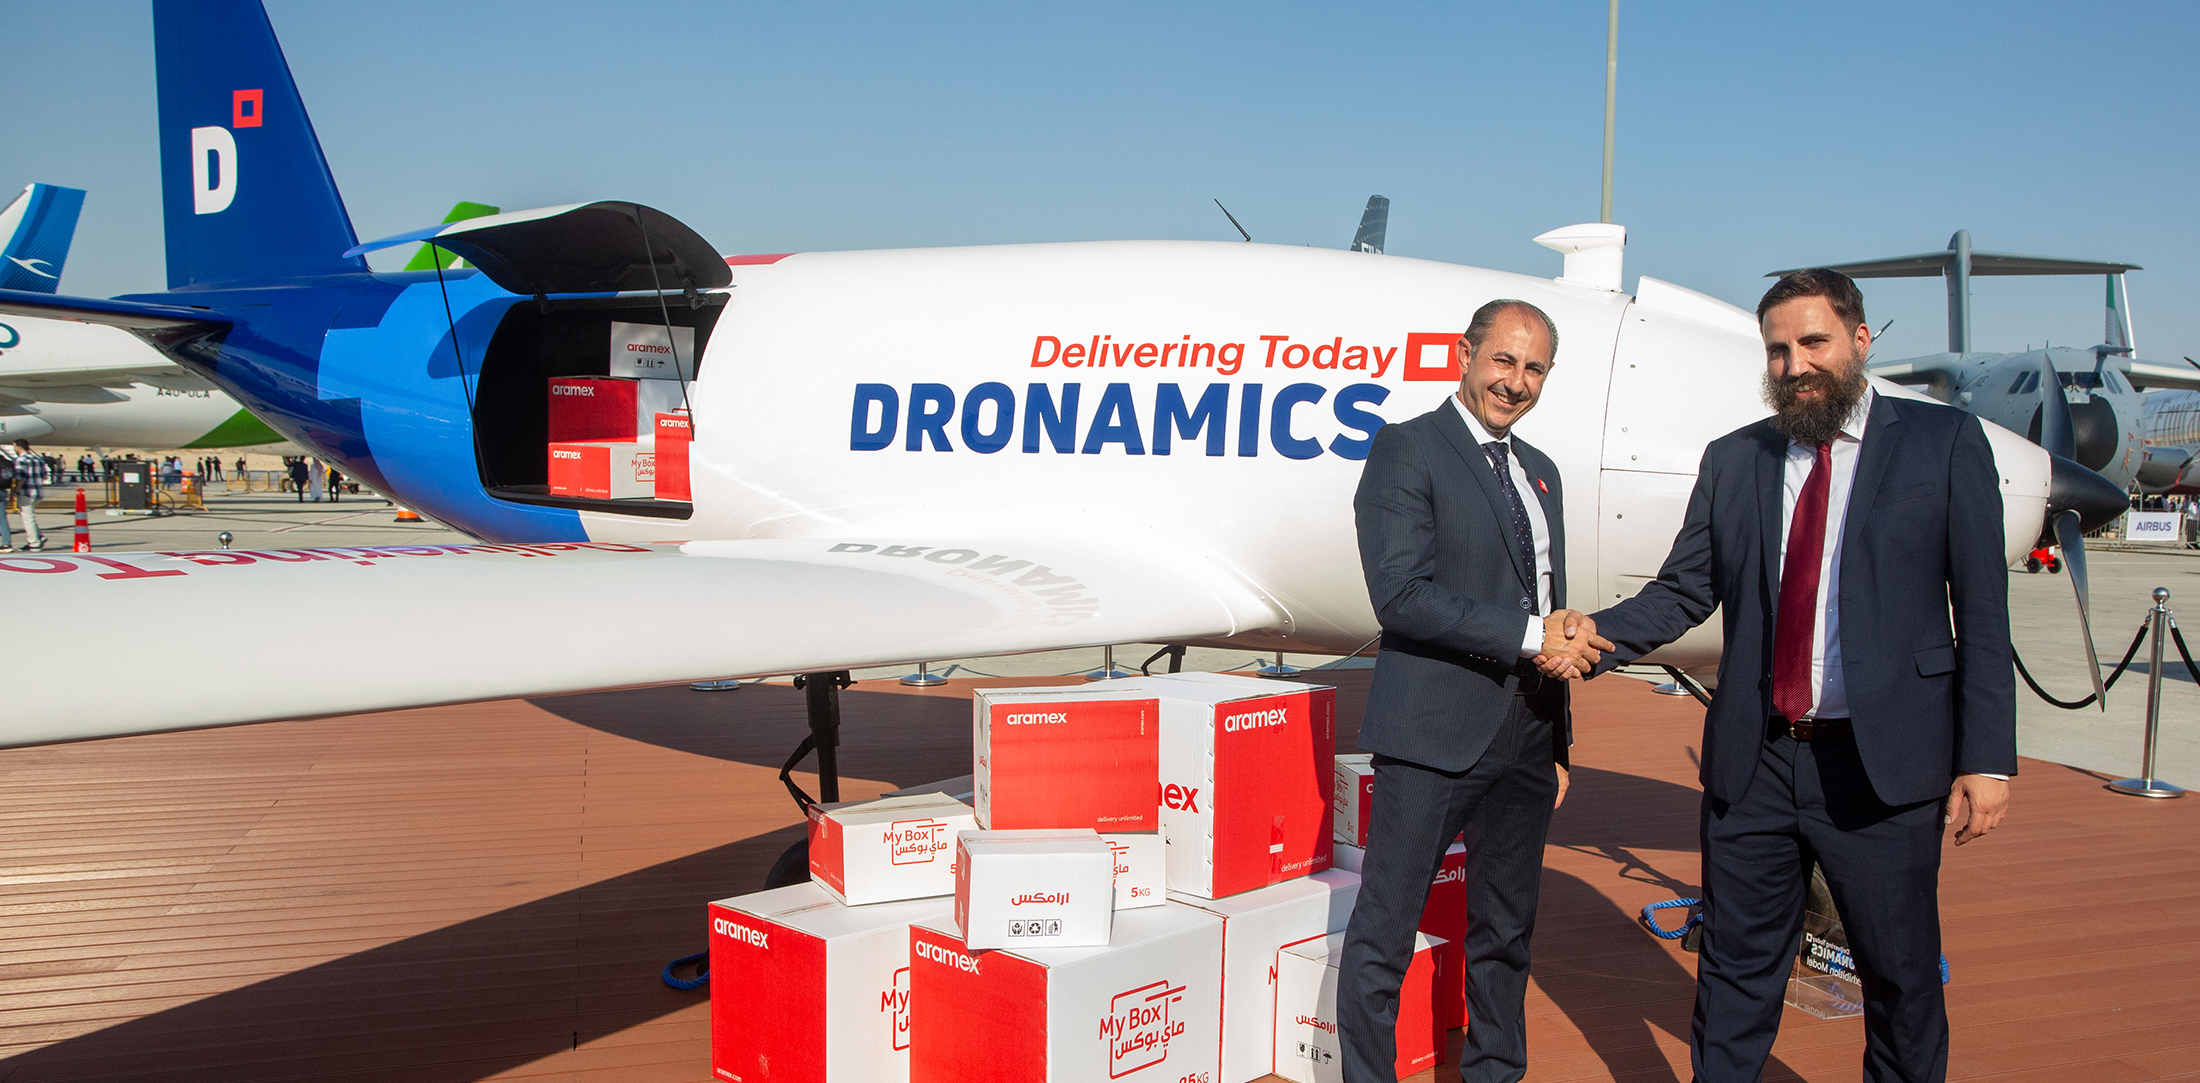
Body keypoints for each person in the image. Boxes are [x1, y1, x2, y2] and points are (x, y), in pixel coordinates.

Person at [1552, 269, 2014, 1083]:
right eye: (1777, 350)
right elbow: (1685, 589)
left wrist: (1986, 758)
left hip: (1881, 764)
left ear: (1860, 341)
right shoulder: (1736, 459)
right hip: (1755, 758)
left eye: (1813, 342)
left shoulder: (1944, 445)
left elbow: (1982, 612)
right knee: (1733, 971)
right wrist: (1598, 633)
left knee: (1900, 979)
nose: (1794, 364)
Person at [1339, 298, 1598, 1083]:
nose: (1515, 383)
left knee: (1507, 929)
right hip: (1434, 731)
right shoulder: (1406, 449)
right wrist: (1530, 637)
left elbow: (1547, 603)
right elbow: (1401, 595)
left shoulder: (1542, 472)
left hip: (1524, 735)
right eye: (1503, 360)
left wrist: (1556, 742)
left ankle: (1495, 1072)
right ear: (1465, 353)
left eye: (1534, 369)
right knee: (1386, 930)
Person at [10, 439, 48, 550]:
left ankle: (34, 543)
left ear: (19, 447)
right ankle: (39, 536)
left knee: (27, 518)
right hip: (38, 492)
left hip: (27, 492)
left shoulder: (21, 460)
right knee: (30, 516)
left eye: (15, 447)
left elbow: (20, 477)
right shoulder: (38, 459)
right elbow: (45, 475)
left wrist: (15, 490)